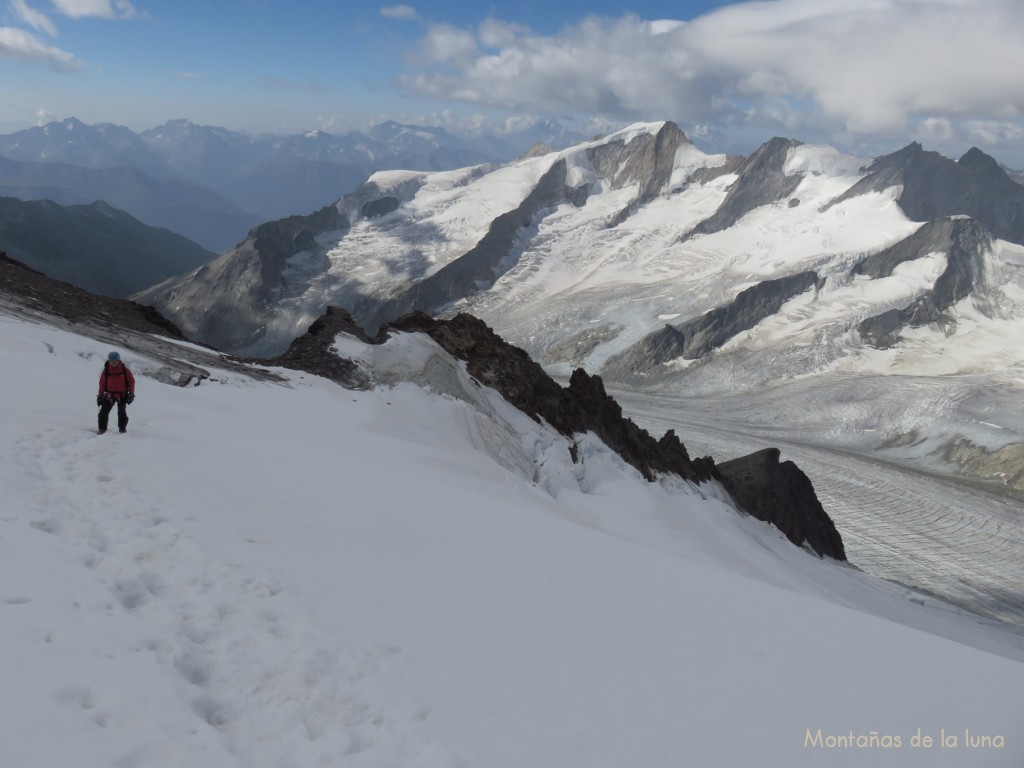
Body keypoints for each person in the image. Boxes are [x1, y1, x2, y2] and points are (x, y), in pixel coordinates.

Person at [97, 351, 136, 434]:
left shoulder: (125, 371)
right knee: (103, 412)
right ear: (108, 361)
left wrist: (131, 393)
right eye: (111, 361)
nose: (113, 363)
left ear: (119, 361)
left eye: (115, 361)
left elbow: (131, 382)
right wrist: (100, 395)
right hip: (109, 395)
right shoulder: (106, 371)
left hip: (123, 395)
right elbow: (102, 384)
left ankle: (122, 429)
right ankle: (102, 430)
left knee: (122, 413)